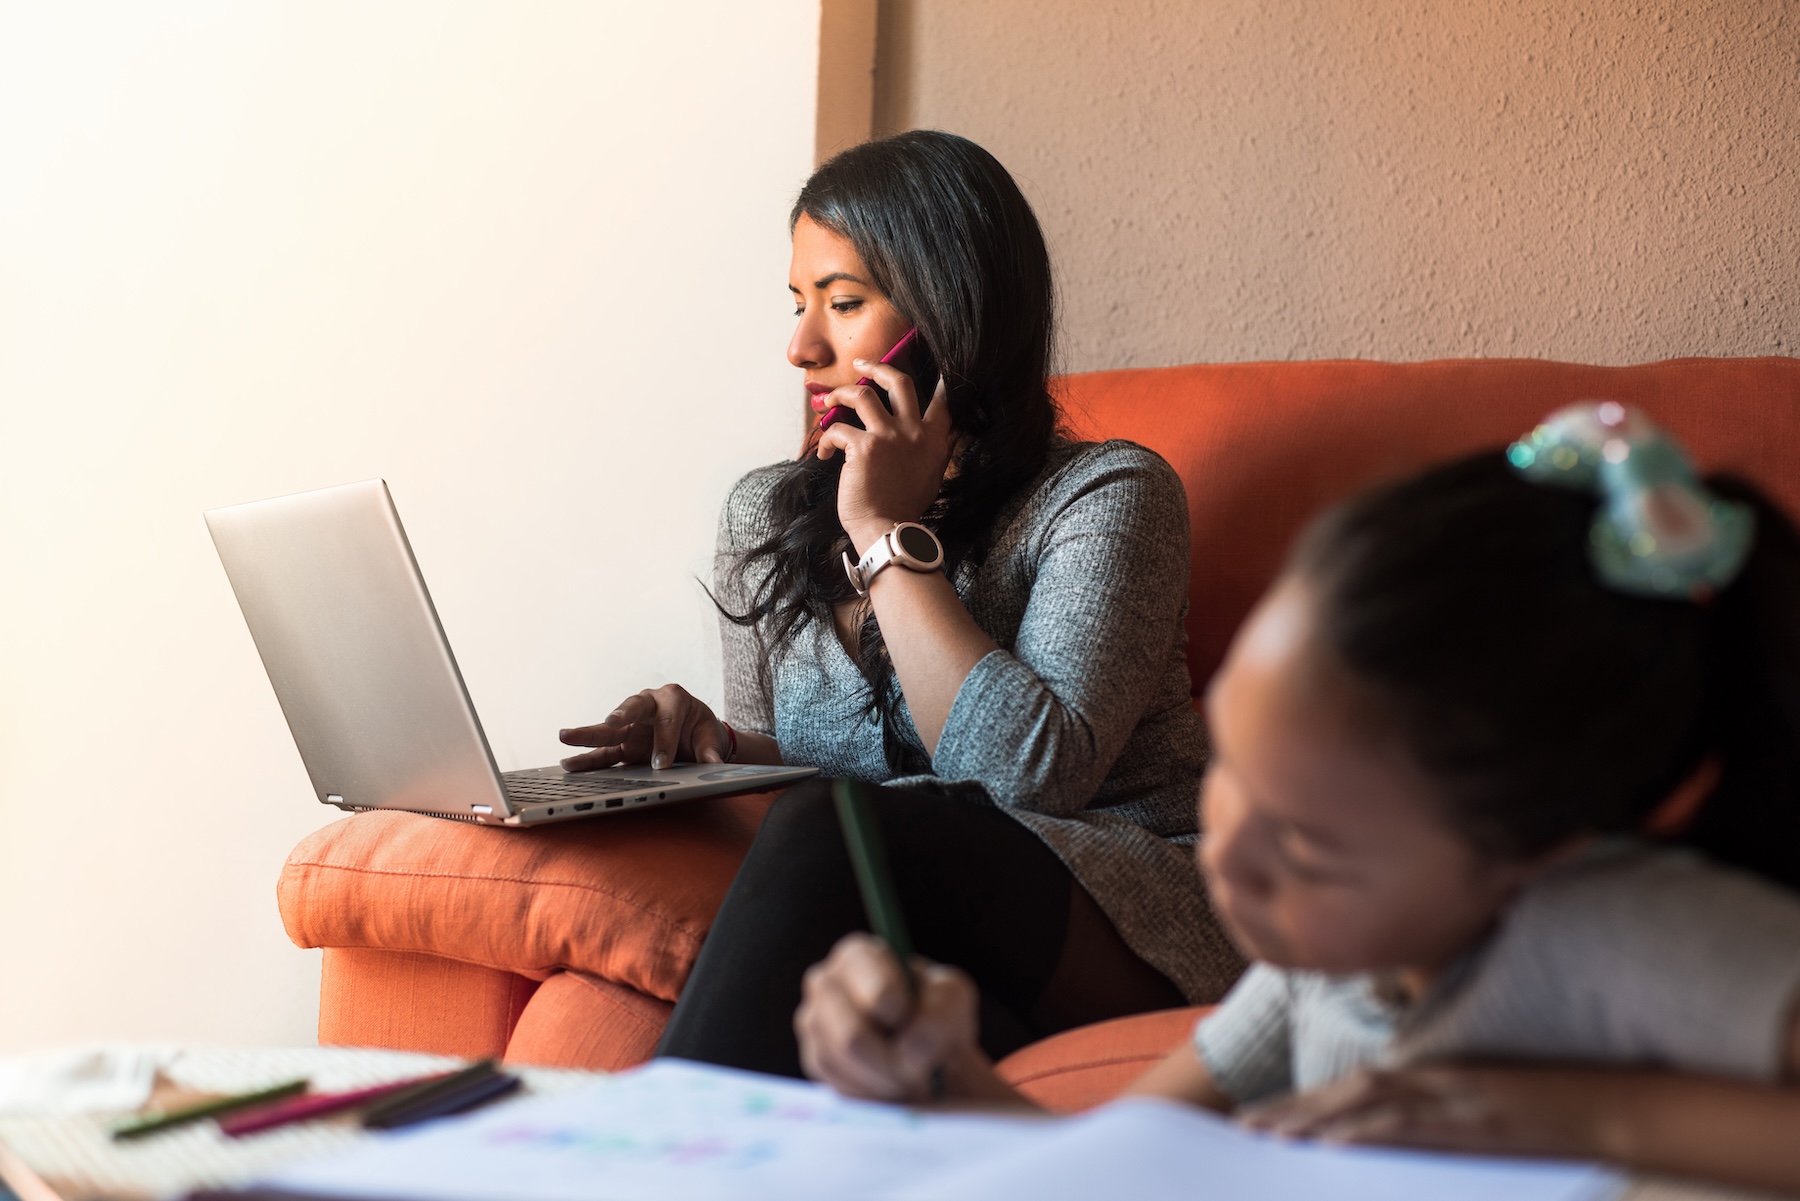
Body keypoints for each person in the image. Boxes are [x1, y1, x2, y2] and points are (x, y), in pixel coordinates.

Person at [795, 402, 1800, 1193]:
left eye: (1313, 844)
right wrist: (941, 1079)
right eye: (1232, 765)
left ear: (1537, 849)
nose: (1227, 851)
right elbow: (1114, 1161)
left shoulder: (1607, 930)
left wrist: (1572, 1116)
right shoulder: (1326, 975)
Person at [556, 130, 1245, 1077]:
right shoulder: (766, 509)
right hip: (910, 946)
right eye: (799, 304)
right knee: (653, 989)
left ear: (944, 318)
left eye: (842, 304)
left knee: (840, 826)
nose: (801, 347)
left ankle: (653, 1141)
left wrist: (885, 538)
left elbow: (1022, 781)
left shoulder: (1109, 496)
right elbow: (789, 784)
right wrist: (713, 745)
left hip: (1120, 929)